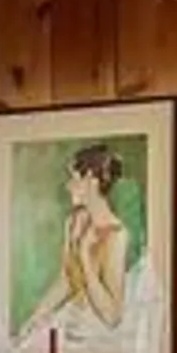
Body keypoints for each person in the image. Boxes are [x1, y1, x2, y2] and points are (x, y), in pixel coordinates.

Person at [37, 144, 130, 336]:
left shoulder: (116, 235)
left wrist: (84, 255)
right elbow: (66, 281)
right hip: (72, 322)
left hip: (99, 334)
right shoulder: (73, 222)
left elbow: (112, 317)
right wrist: (34, 320)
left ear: (90, 180)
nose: (67, 186)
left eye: (73, 178)